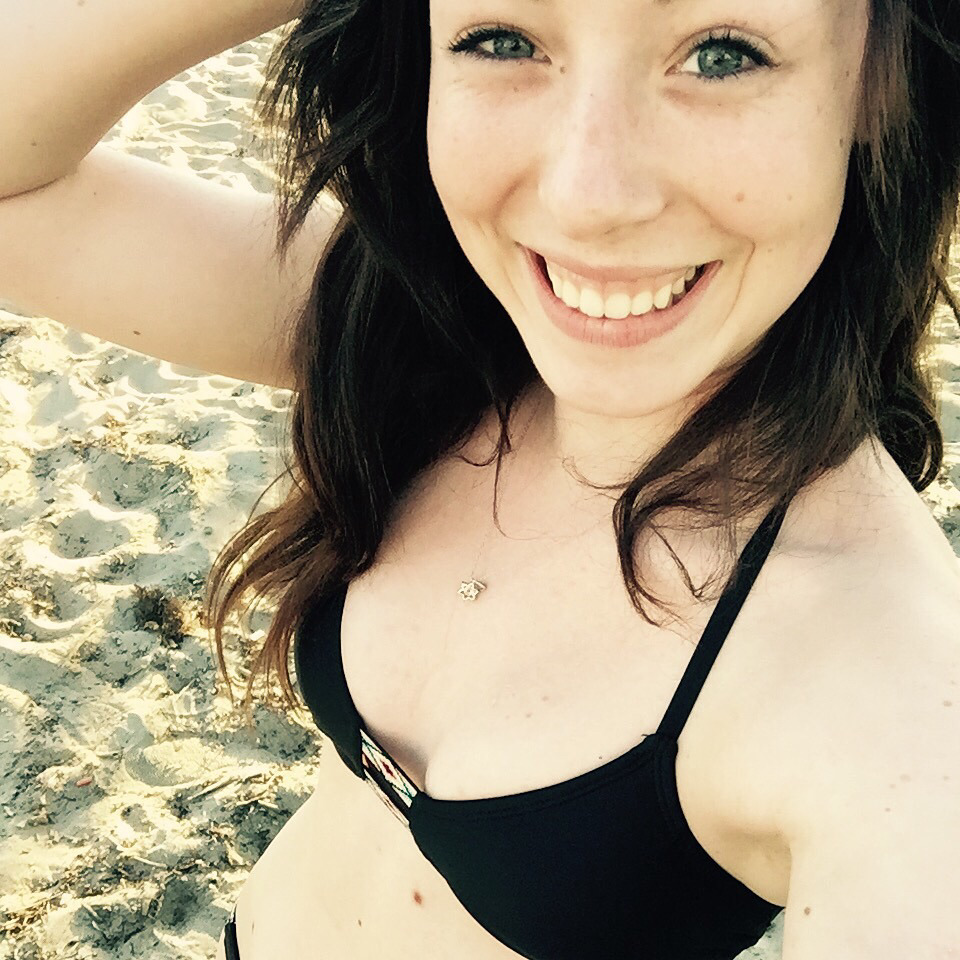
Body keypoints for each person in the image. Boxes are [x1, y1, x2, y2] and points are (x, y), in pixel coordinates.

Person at [2, 1, 959, 958]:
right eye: (502, 40)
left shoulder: (890, 694)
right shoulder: (419, 330)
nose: (589, 196)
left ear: (883, 80)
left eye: (722, 53)